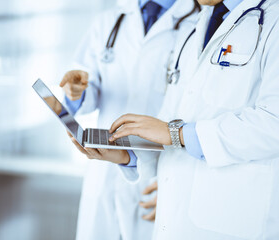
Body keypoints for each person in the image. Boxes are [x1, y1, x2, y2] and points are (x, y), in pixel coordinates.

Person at [108, 0, 279, 239]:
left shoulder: (273, 20)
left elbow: (273, 124)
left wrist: (178, 133)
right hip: (175, 218)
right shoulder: (197, 26)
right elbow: (173, 118)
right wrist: (130, 157)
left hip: (235, 221)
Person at [60, 0, 198, 239]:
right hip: (104, 171)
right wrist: (76, 92)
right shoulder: (109, 20)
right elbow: (89, 85)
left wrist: (181, 186)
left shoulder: (198, 23)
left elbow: (201, 116)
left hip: (158, 175)